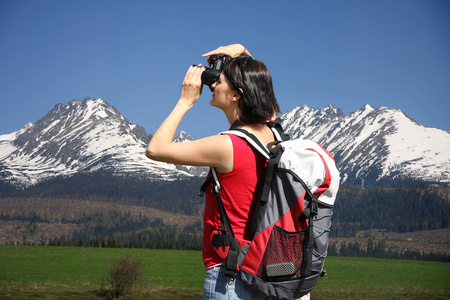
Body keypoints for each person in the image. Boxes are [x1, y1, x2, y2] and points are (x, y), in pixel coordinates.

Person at [146, 44, 305, 299]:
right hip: (265, 269)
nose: (211, 85)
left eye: (217, 82)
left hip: (230, 276)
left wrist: (185, 101)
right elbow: (259, 83)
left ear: (235, 95)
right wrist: (242, 52)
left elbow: (155, 149)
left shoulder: (228, 145)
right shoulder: (274, 133)